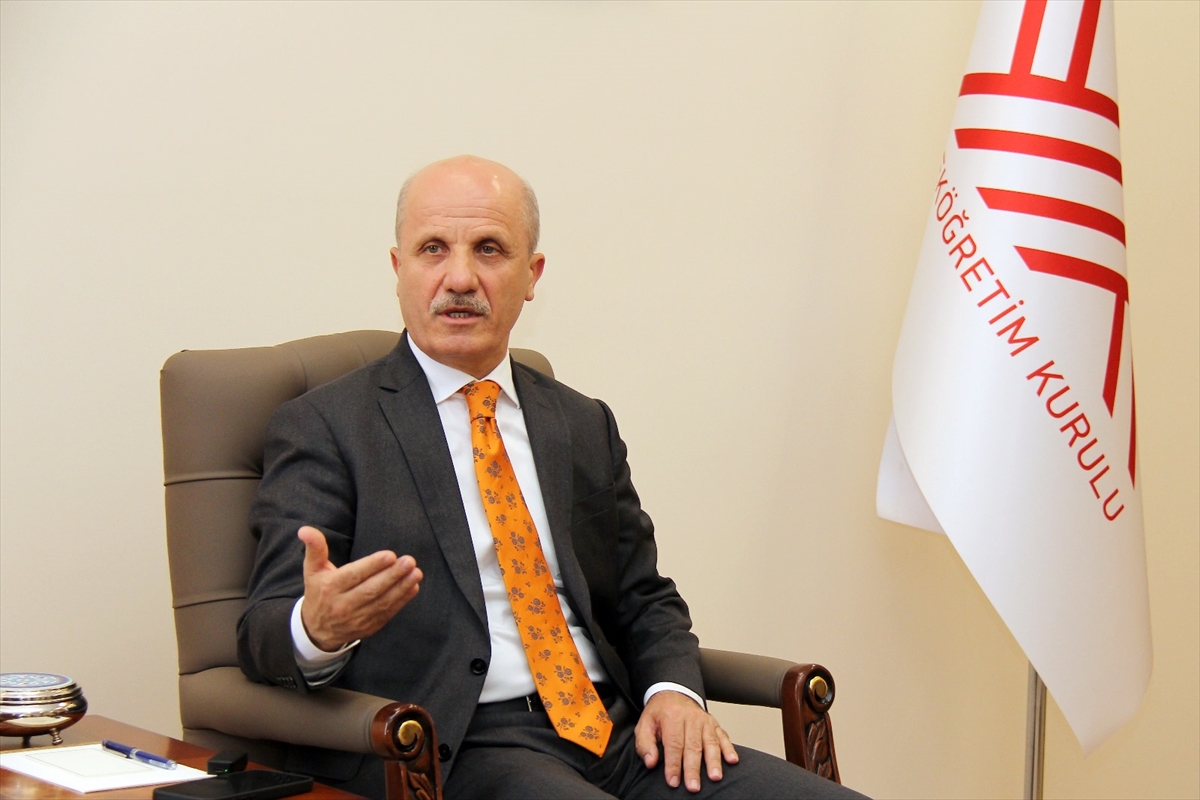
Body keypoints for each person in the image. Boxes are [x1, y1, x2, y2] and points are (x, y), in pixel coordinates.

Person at [238, 155, 865, 799]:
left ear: (532, 275)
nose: (460, 278)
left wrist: (674, 692)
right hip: (459, 745)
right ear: (399, 269)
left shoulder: (581, 421)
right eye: (433, 249)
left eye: (489, 249)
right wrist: (318, 629)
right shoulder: (327, 426)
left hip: (619, 733)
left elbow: (643, 596)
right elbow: (262, 634)